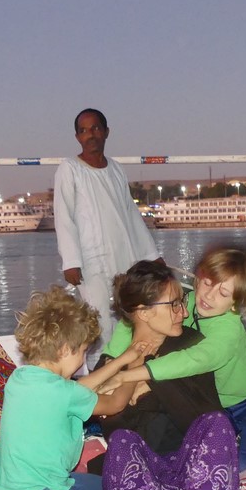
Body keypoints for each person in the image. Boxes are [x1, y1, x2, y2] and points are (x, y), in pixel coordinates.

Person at [96, 261, 240, 490]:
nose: (183, 311)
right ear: (144, 313)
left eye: (182, 302)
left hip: (194, 474)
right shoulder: (116, 360)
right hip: (144, 481)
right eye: (174, 304)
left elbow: (201, 416)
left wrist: (152, 382)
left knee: (219, 424)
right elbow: (111, 424)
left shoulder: (190, 346)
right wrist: (133, 380)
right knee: (121, 441)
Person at [102, 246, 246, 472]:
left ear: (235, 303)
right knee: (202, 454)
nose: (209, 296)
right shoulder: (186, 302)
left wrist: (129, 376)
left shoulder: (227, 332)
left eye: (223, 293)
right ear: (198, 278)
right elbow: (134, 317)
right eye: (207, 283)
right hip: (214, 399)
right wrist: (112, 359)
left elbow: (193, 359)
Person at [0, 286, 147, 490]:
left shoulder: (20, 379)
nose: (82, 359)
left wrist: (122, 359)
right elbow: (115, 404)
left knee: (111, 488)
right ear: (65, 350)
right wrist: (135, 369)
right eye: (83, 352)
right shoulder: (63, 393)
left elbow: (76, 389)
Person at [53, 108, 163, 352]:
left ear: (106, 132)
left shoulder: (116, 169)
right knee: (100, 321)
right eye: (83, 131)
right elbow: (63, 217)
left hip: (124, 256)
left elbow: (131, 214)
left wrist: (151, 255)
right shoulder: (70, 169)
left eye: (95, 128)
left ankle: (127, 368)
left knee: (128, 317)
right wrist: (70, 261)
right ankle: (100, 370)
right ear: (77, 137)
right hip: (90, 262)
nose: (90, 135)